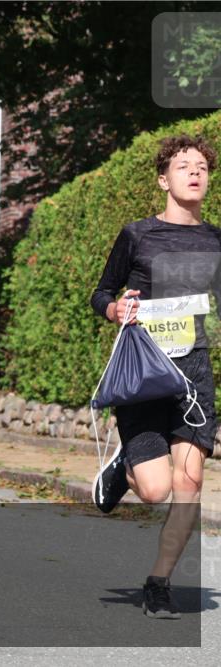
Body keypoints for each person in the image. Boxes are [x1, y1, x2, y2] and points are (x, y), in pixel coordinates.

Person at [90, 135, 218, 619]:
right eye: (184, 165)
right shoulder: (137, 235)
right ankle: (125, 468)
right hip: (144, 371)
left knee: (189, 484)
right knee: (155, 491)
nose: (195, 172)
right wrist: (115, 308)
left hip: (194, 374)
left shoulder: (216, 240)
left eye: (203, 167)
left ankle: (158, 583)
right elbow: (101, 292)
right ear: (164, 179)